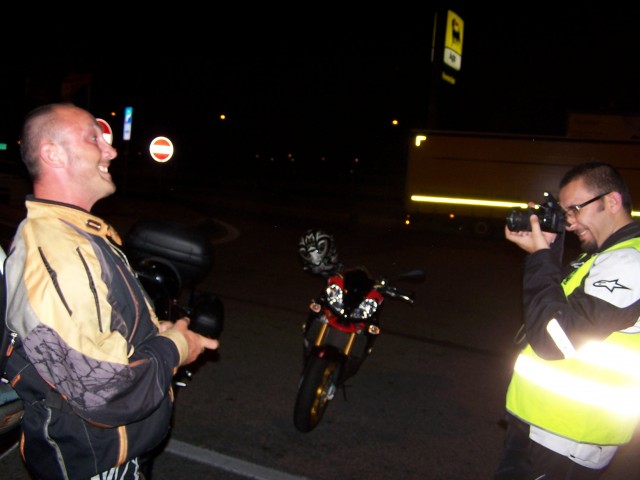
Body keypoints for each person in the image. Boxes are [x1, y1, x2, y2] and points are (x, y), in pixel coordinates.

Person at [2, 103, 219, 480]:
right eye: (93, 138)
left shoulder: (75, 234)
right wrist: (176, 347)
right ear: (52, 153)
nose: (112, 150)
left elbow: (94, 332)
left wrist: (155, 334)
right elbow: (103, 391)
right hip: (95, 462)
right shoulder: (60, 255)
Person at [494, 160, 640, 479]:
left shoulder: (629, 262)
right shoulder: (603, 255)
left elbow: (555, 337)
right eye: (564, 214)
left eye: (574, 210)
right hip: (548, 427)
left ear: (612, 201)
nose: (570, 224)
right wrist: (548, 246)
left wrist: (539, 257)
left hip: (567, 439)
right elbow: (556, 304)